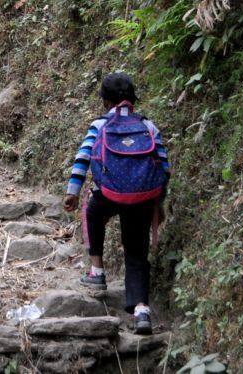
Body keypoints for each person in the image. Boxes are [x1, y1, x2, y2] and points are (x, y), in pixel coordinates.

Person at [62, 73, 170, 335]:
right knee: (136, 250)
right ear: (133, 99)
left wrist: (73, 192)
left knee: (93, 211)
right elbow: (164, 167)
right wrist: (159, 202)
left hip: (109, 193)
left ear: (105, 101)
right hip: (144, 198)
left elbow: (83, 158)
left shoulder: (100, 125)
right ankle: (142, 311)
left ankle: (97, 271)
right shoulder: (148, 126)